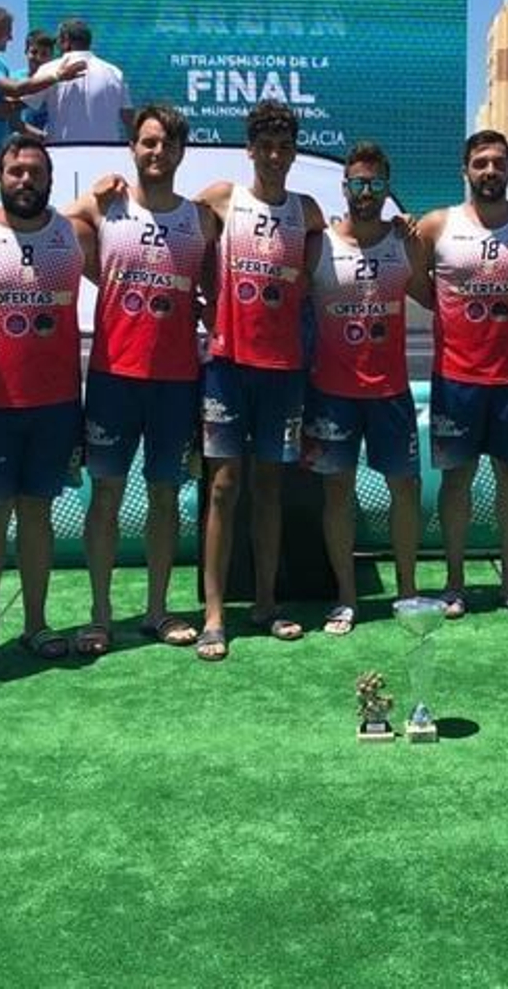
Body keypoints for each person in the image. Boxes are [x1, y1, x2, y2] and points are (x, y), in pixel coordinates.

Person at [68, 104, 215, 652]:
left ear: (181, 152)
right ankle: (100, 614)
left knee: (164, 497)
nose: (157, 152)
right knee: (105, 495)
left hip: (176, 380)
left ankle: (157, 610)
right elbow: (45, 226)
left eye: (167, 144)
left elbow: (217, 290)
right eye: (148, 142)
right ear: (133, 148)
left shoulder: (200, 219)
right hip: (113, 376)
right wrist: (89, 197)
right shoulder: (105, 207)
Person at [415, 130, 508, 621]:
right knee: (455, 482)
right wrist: (448, 307)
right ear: (465, 169)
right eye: (480, 163)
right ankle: (454, 583)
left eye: (498, 163)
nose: (490, 171)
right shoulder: (437, 225)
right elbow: (415, 282)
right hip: (455, 377)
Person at [0, 136, 95, 666]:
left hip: (55, 403)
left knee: (37, 516)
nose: (25, 180)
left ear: (50, 180)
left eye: (35, 172)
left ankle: (36, 623)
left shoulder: (73, 233)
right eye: (16, 171)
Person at [196, 101, 326, 660]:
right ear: (250, 150)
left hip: (283, 369)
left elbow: (326, 258)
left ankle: (266, 604)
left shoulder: (307, 211)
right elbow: (179, 235)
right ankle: (214, 614)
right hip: (227, 366)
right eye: (265, 147)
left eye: (284, 147)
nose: (275, 157)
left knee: (270, 488)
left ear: (293, 153)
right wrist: (207, 296)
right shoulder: (222, 198)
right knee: (224, 487)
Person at [303, 141, 431, 635]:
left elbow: (436, 296)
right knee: (337, 493)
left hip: (390, 393)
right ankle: (346, 597)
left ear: (386, 188)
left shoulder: (404, 243)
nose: (366, 192)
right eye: (358, 182)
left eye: (376, 183)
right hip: (331, 394)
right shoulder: (319, 245)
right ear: (345, 187)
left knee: (406, 489)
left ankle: (407, 591)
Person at [0, 6, 87, 173]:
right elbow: (15, 89)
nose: (11, 38)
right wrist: (57, 76)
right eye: (8, 31)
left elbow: (9, 112)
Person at [25, 18, 134, 142]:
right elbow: (128, 118)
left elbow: (18, 105)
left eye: (58, 40)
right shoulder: (115, 73)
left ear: (66, 40)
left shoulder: (50, 69)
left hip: (62, 150)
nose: (57, 46)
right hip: (107, 150)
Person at [21, 30, 56, 137]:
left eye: (44, 54)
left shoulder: (57, 84)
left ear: (52, 57)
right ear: (26, 52)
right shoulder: (12, 80)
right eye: (34, 52)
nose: (38, 58)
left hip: (50, 141)